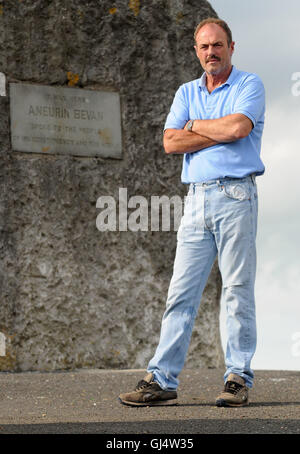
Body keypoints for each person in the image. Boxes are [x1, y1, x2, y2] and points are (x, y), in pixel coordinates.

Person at [119, 17, 265, 407]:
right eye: (204, 47)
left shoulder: (249, 84)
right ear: (196, 51)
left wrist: (196, 127)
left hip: (236, 197)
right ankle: (162, 379)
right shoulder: (186, 90)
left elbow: (238, 128)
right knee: (180, 293)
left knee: (236, 290)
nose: (211, 52)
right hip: (196, 199)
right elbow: (170, 141)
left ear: (231, 47)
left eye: (218, 45)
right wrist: (210, 132)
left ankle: (237, 377)